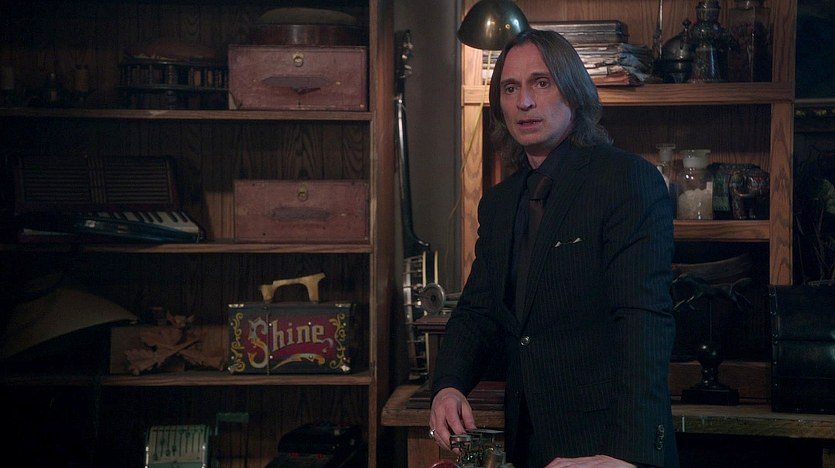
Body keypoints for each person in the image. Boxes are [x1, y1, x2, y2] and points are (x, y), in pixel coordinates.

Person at [428, 28, 679, 468]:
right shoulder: (500, 203)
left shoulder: (626, 180)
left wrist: (627, 454)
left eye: (541, 83)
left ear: (574, 93)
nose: (524, 102)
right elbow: (477, 310)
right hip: (529, 443)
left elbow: (643, 319)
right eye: (510, 88)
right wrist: (448, 385)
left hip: (608, 446)